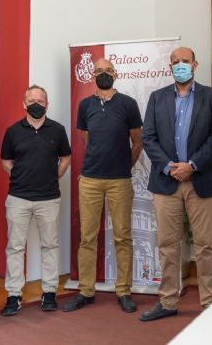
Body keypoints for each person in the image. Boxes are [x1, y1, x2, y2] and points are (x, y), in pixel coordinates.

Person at [140, 46, 212, 321]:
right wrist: (169, 167)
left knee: (206, 246)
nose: (180, 65)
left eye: (185, 61)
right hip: (166, 183)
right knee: (167, 244)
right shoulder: (157, 98)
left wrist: (192, 166)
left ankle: (210, 303)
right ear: (170, 67)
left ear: (195, 64)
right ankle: (167, 301)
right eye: (175, 62)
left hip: (203, 180)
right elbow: (148, 138)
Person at [63, 58, 143, 314]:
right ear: (93, 75)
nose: (104, 74)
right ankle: (86, 291)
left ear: (115, 74)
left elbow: (138, 142)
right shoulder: (85, 105)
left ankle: (124, 290)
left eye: (108, 70)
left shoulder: (128, 104)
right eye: (99, 71)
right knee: (87, 237)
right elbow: (87, 140)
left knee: (122, 236)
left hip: (120, 180)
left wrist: (124, 167)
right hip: (90, 180)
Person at [0, 85, 71, 316]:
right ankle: (13, 295)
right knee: (15, 247)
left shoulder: (58, 130)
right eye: (31, 100)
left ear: (47, 105)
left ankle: (49, 292)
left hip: (49, 199)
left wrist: (53, 176)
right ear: (24, 104)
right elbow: (6, 162)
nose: (36, 104)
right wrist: (22, 178)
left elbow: (66, 157)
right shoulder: (12, 131)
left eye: (40, 101)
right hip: (18, 198)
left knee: (50, 245)